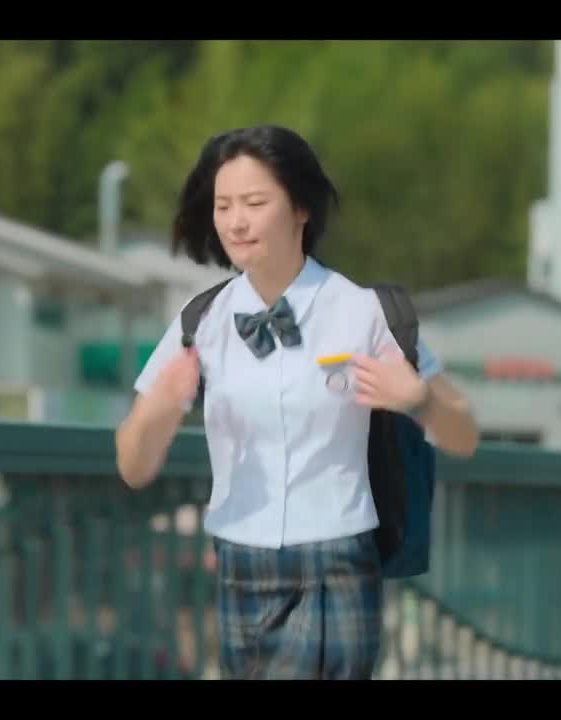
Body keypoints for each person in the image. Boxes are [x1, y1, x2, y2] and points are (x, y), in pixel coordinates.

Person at [114, 125, 479, 680]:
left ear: (302, 208)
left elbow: (465, 436)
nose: (236, 222)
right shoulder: (200, 322)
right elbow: (132, 467)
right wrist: (157, 415)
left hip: (335, 558)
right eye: (223, 206)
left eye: (255, 203)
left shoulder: (363, 312)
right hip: (238, 559)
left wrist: (420, 399)